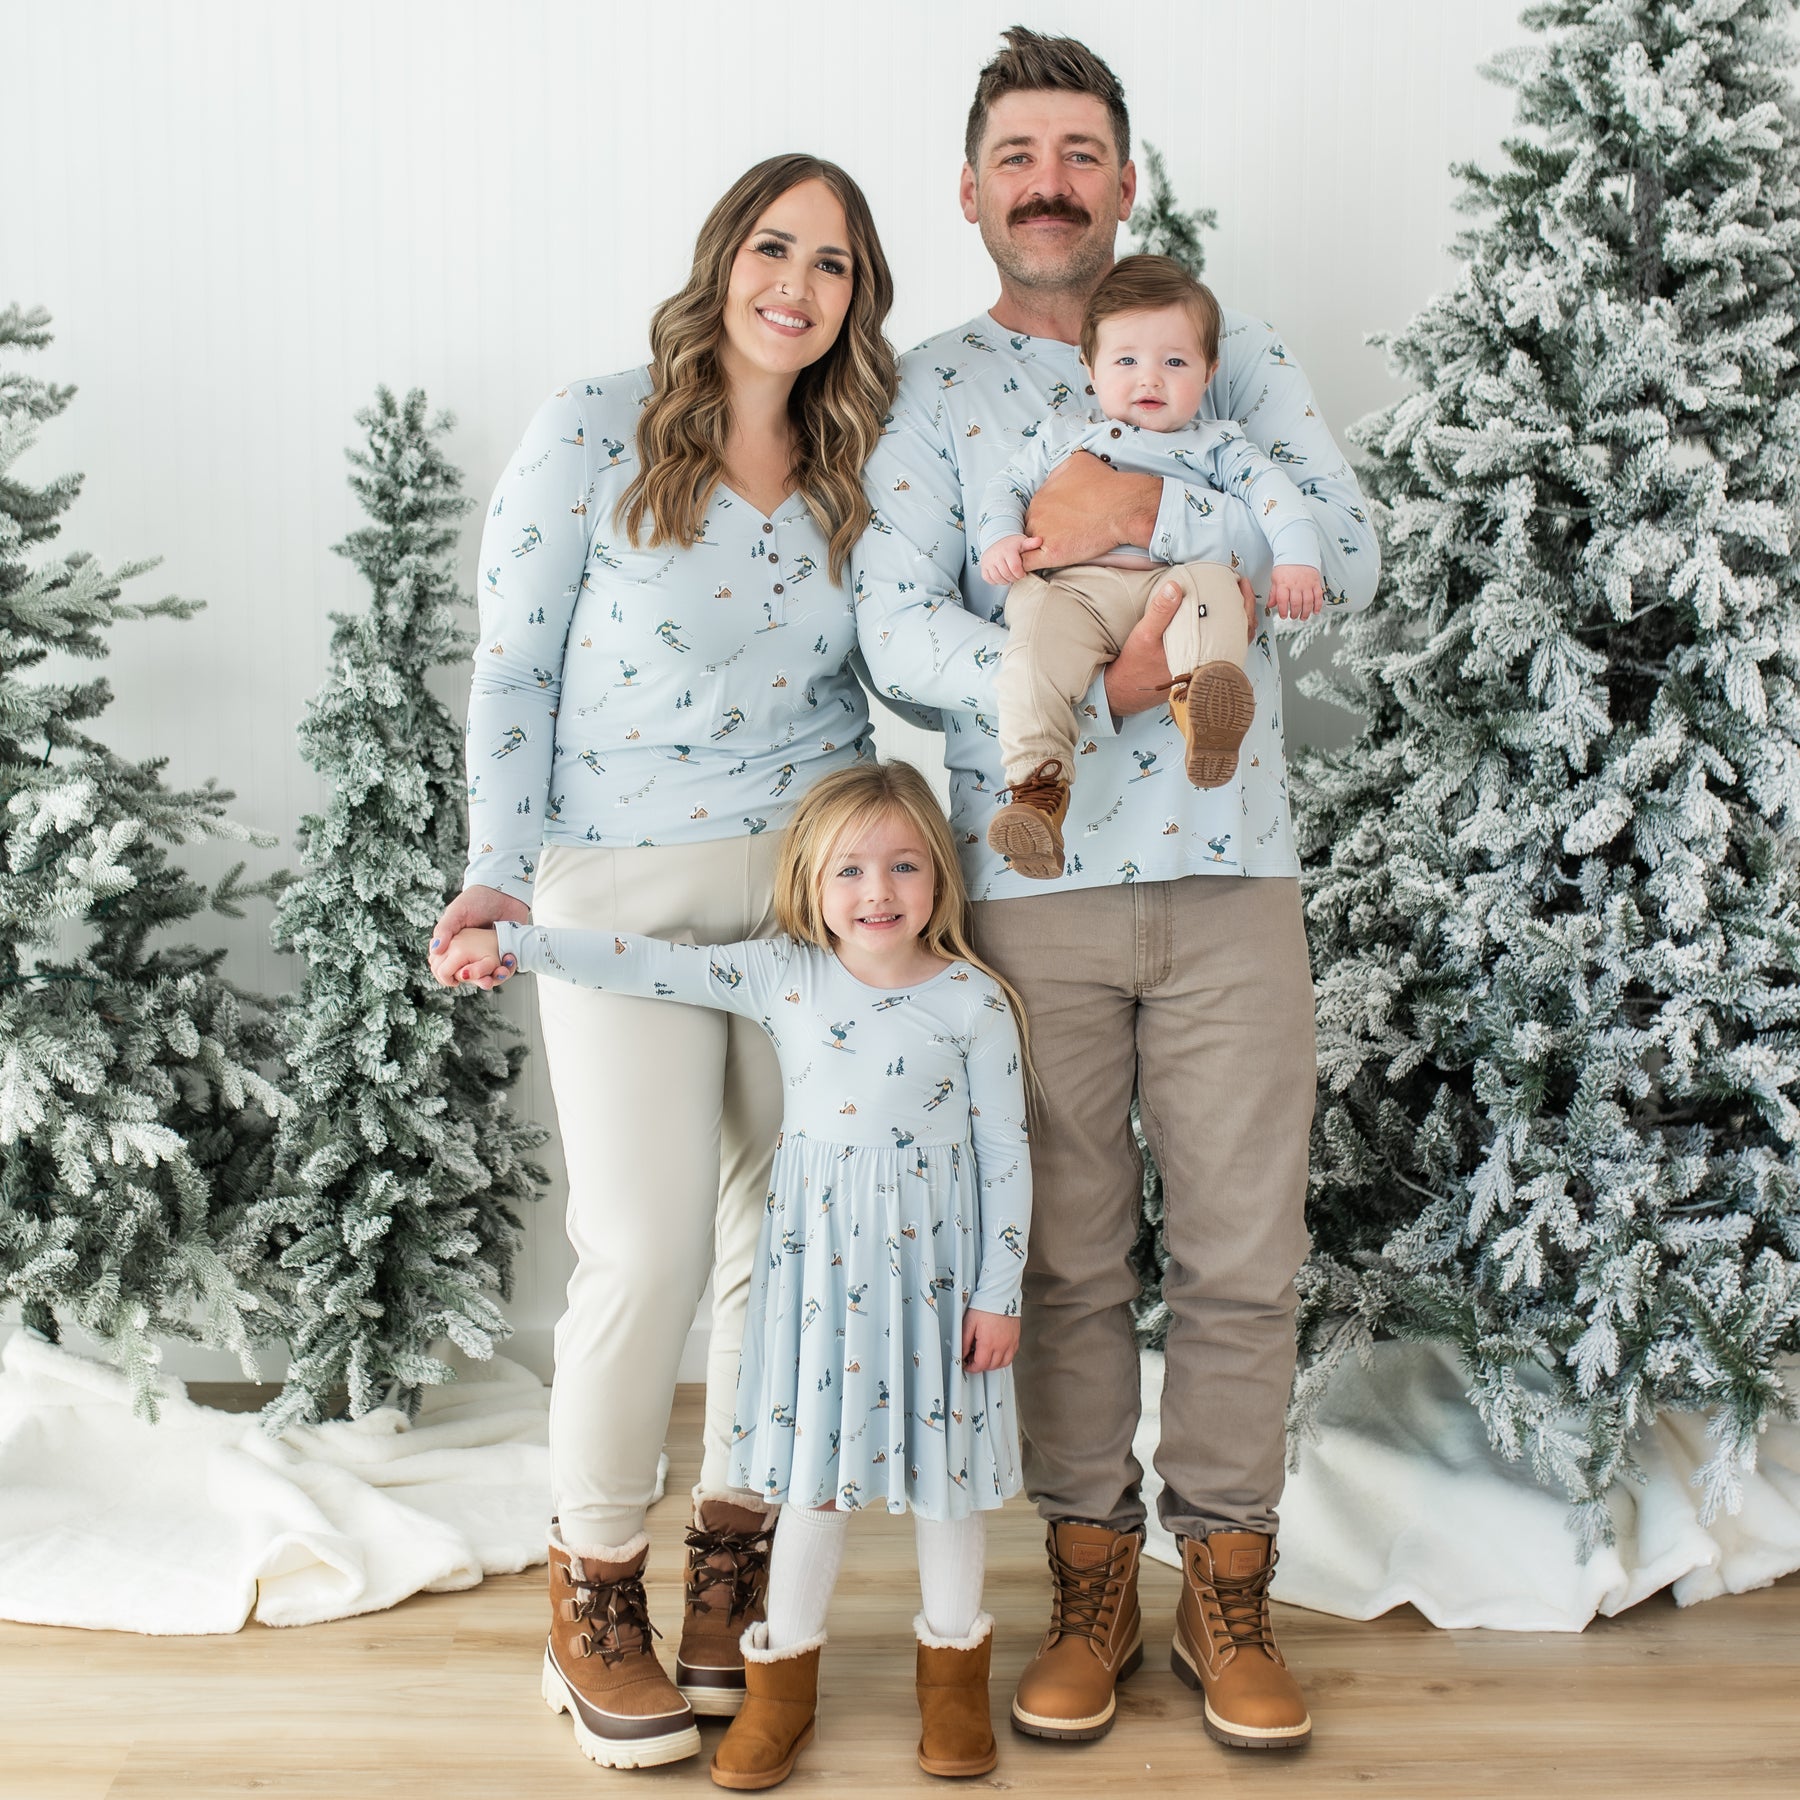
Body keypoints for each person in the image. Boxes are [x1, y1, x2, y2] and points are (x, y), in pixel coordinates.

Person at [853, 27, 1379, 1754]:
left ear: (1125, 181)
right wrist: (1094, 676)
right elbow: (895, 618)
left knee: (1242, 1254)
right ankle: (1088, 1581)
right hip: (1032, 880)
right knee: (1068, 1259)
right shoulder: (931, 390)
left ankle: (1226, 1587)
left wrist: (1162, 554)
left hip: (1236, 880)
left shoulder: (1228, 360)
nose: (1050, 181)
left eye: (1080, 151)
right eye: (1020, 154)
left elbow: (1347, 553)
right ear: (973, 191)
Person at [428, 153, 898, 1769]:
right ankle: (594, 1586)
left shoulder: (856, 457)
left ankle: (732, 1563)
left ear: (858, 297)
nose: (799, 284)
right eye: (775, 248)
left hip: (803, 892)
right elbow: (513, 668)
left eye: (833, 264)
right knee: (643, 1250)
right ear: (722, 262)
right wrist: (497, 874)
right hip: (616, 883)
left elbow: (895, 667)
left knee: (783, 1241)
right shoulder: (594, 425)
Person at [438, 760, 1032, 1788]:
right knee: (810, 1489)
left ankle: (953, 1697)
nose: (877, 892)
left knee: (948, 1494)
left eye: (902, 865)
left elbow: (1008, 1154)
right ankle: (779, 1694)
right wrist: (515, 940)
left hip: (938, 1298)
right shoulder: (785, 974)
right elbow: (643, 962)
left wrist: (997, 1293)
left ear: (940, 873)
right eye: (849, 870)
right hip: (829, 1299)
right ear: (807, 881)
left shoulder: (974, 1002)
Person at [977, 253, 1324, 877]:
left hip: (1174, 582)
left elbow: (1278, 499)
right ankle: (1036, 791)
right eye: (1127, 360)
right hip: (1079, 593)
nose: (1151, 379)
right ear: (1090, 366)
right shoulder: (1064, 436)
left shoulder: (1218, 445)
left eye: (1175, 362)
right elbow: (1005, 488)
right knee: (1029, 641)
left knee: (1216, 588)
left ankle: (1204, 706)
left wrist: (1298, 559)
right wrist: (1000, 537)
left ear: (1209, 369)